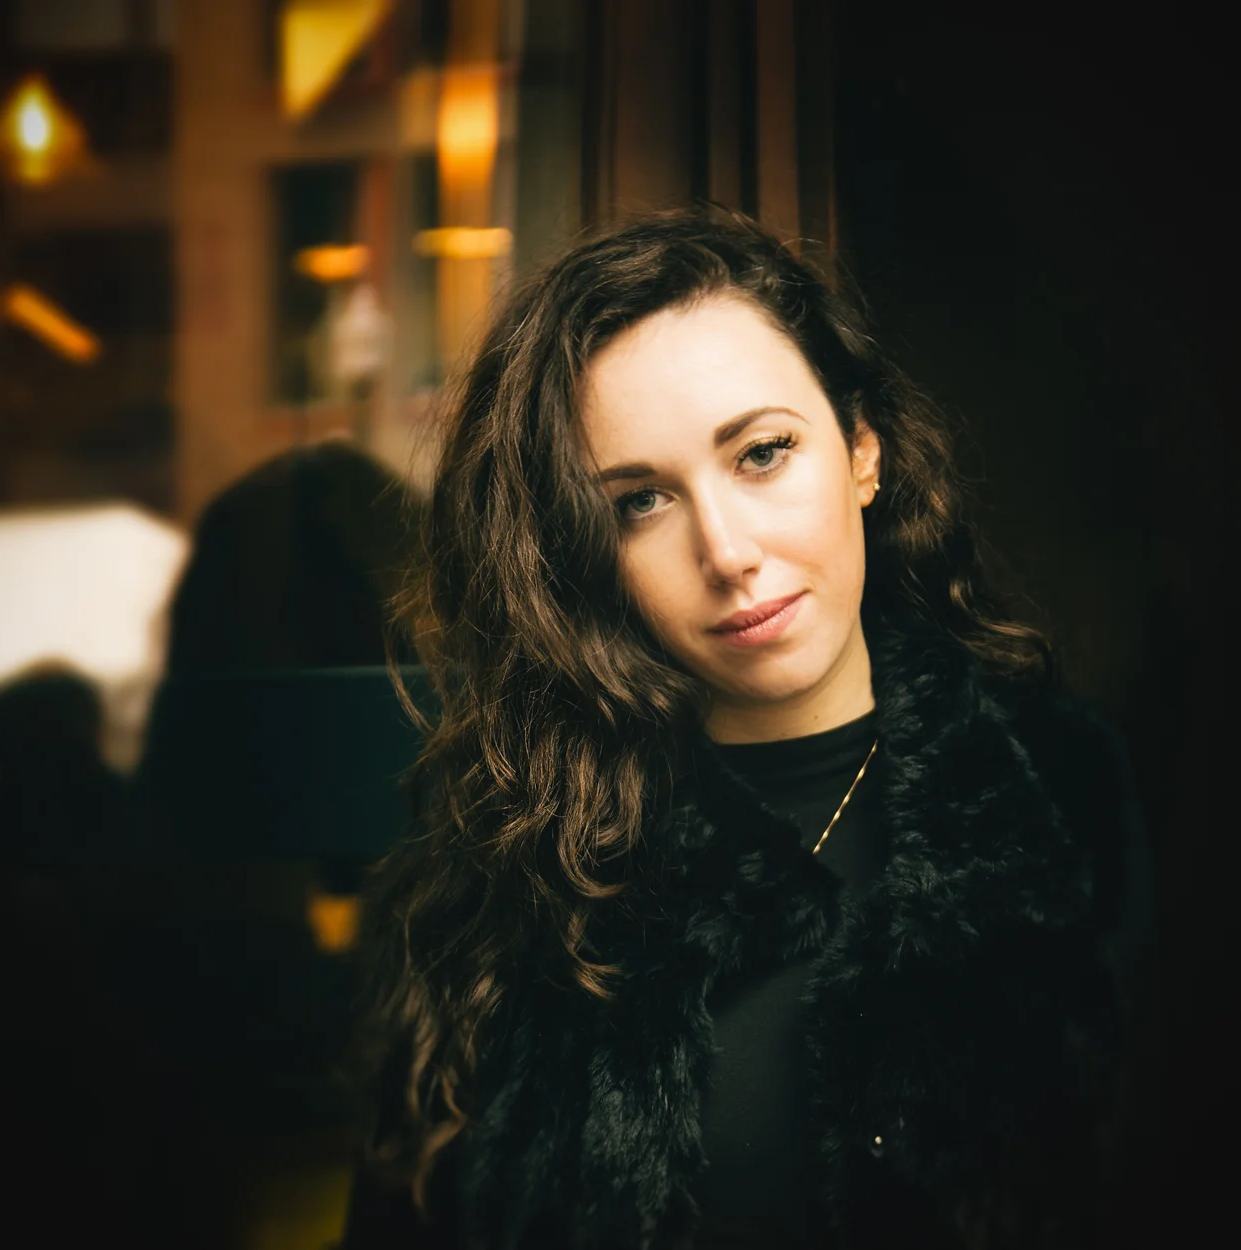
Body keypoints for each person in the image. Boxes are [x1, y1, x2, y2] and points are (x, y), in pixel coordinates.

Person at [342, 210, 1151, 1250]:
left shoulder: (1062, 792)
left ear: (860, 452)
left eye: (762, 453)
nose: (725, 550)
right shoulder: (505, 876)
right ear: (585, 556)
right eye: (638, 502)